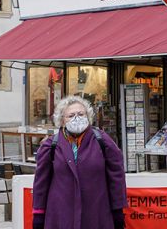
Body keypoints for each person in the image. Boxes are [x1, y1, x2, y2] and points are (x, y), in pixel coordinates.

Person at [32, 95, 127, 229]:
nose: (77, 118)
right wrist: (38, 213)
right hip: (61, 215)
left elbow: (116, 176)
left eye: (81, 114)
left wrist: (118, 209)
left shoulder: (102, 141)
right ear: (62, 120)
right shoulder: (50, 145)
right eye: (71, 115)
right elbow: (41, 182)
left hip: (97, 214)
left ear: (88, 117)